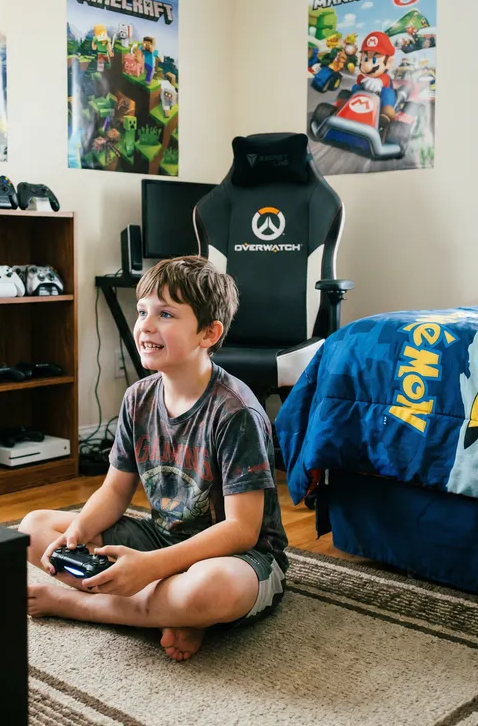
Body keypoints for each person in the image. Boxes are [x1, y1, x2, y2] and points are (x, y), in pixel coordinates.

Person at [20, 256, 288, 662]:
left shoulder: (236, 412)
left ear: (208, 333)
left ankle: (84, 605)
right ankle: (173, 612)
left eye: (165, 314)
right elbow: (114, 491)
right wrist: (76, 533)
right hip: (162, 539)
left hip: (237, 557)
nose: (145, 325)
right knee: (35, 529)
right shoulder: (137, 398)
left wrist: (149, 566)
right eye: (142, 310)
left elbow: (242, 530)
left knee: (213, 589)